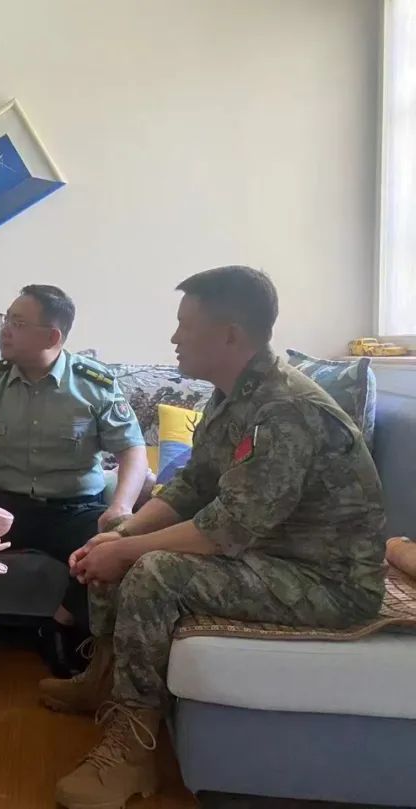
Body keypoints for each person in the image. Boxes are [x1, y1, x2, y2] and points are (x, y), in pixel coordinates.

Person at [45, 266, 386, 809]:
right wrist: (124, 533)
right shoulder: (231, 398)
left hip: (328, 581)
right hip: (270, 554)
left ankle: (133, 751)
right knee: (115, 536)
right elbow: (194, 486)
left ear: (230, 335)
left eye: (186, 324)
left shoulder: (285, 409)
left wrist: (131, 550)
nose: (174, 337)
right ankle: (102, 679)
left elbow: (228, 528)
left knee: (153, 570)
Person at [0, 285, 148, 676]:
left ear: (51, 336)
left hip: (73, 508)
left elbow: (133, 450)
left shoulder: (94, 384)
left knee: (115, 544)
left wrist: (121, 507)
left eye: (17, 323)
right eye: (5, 319)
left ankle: (60, 626)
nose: (5, 330)